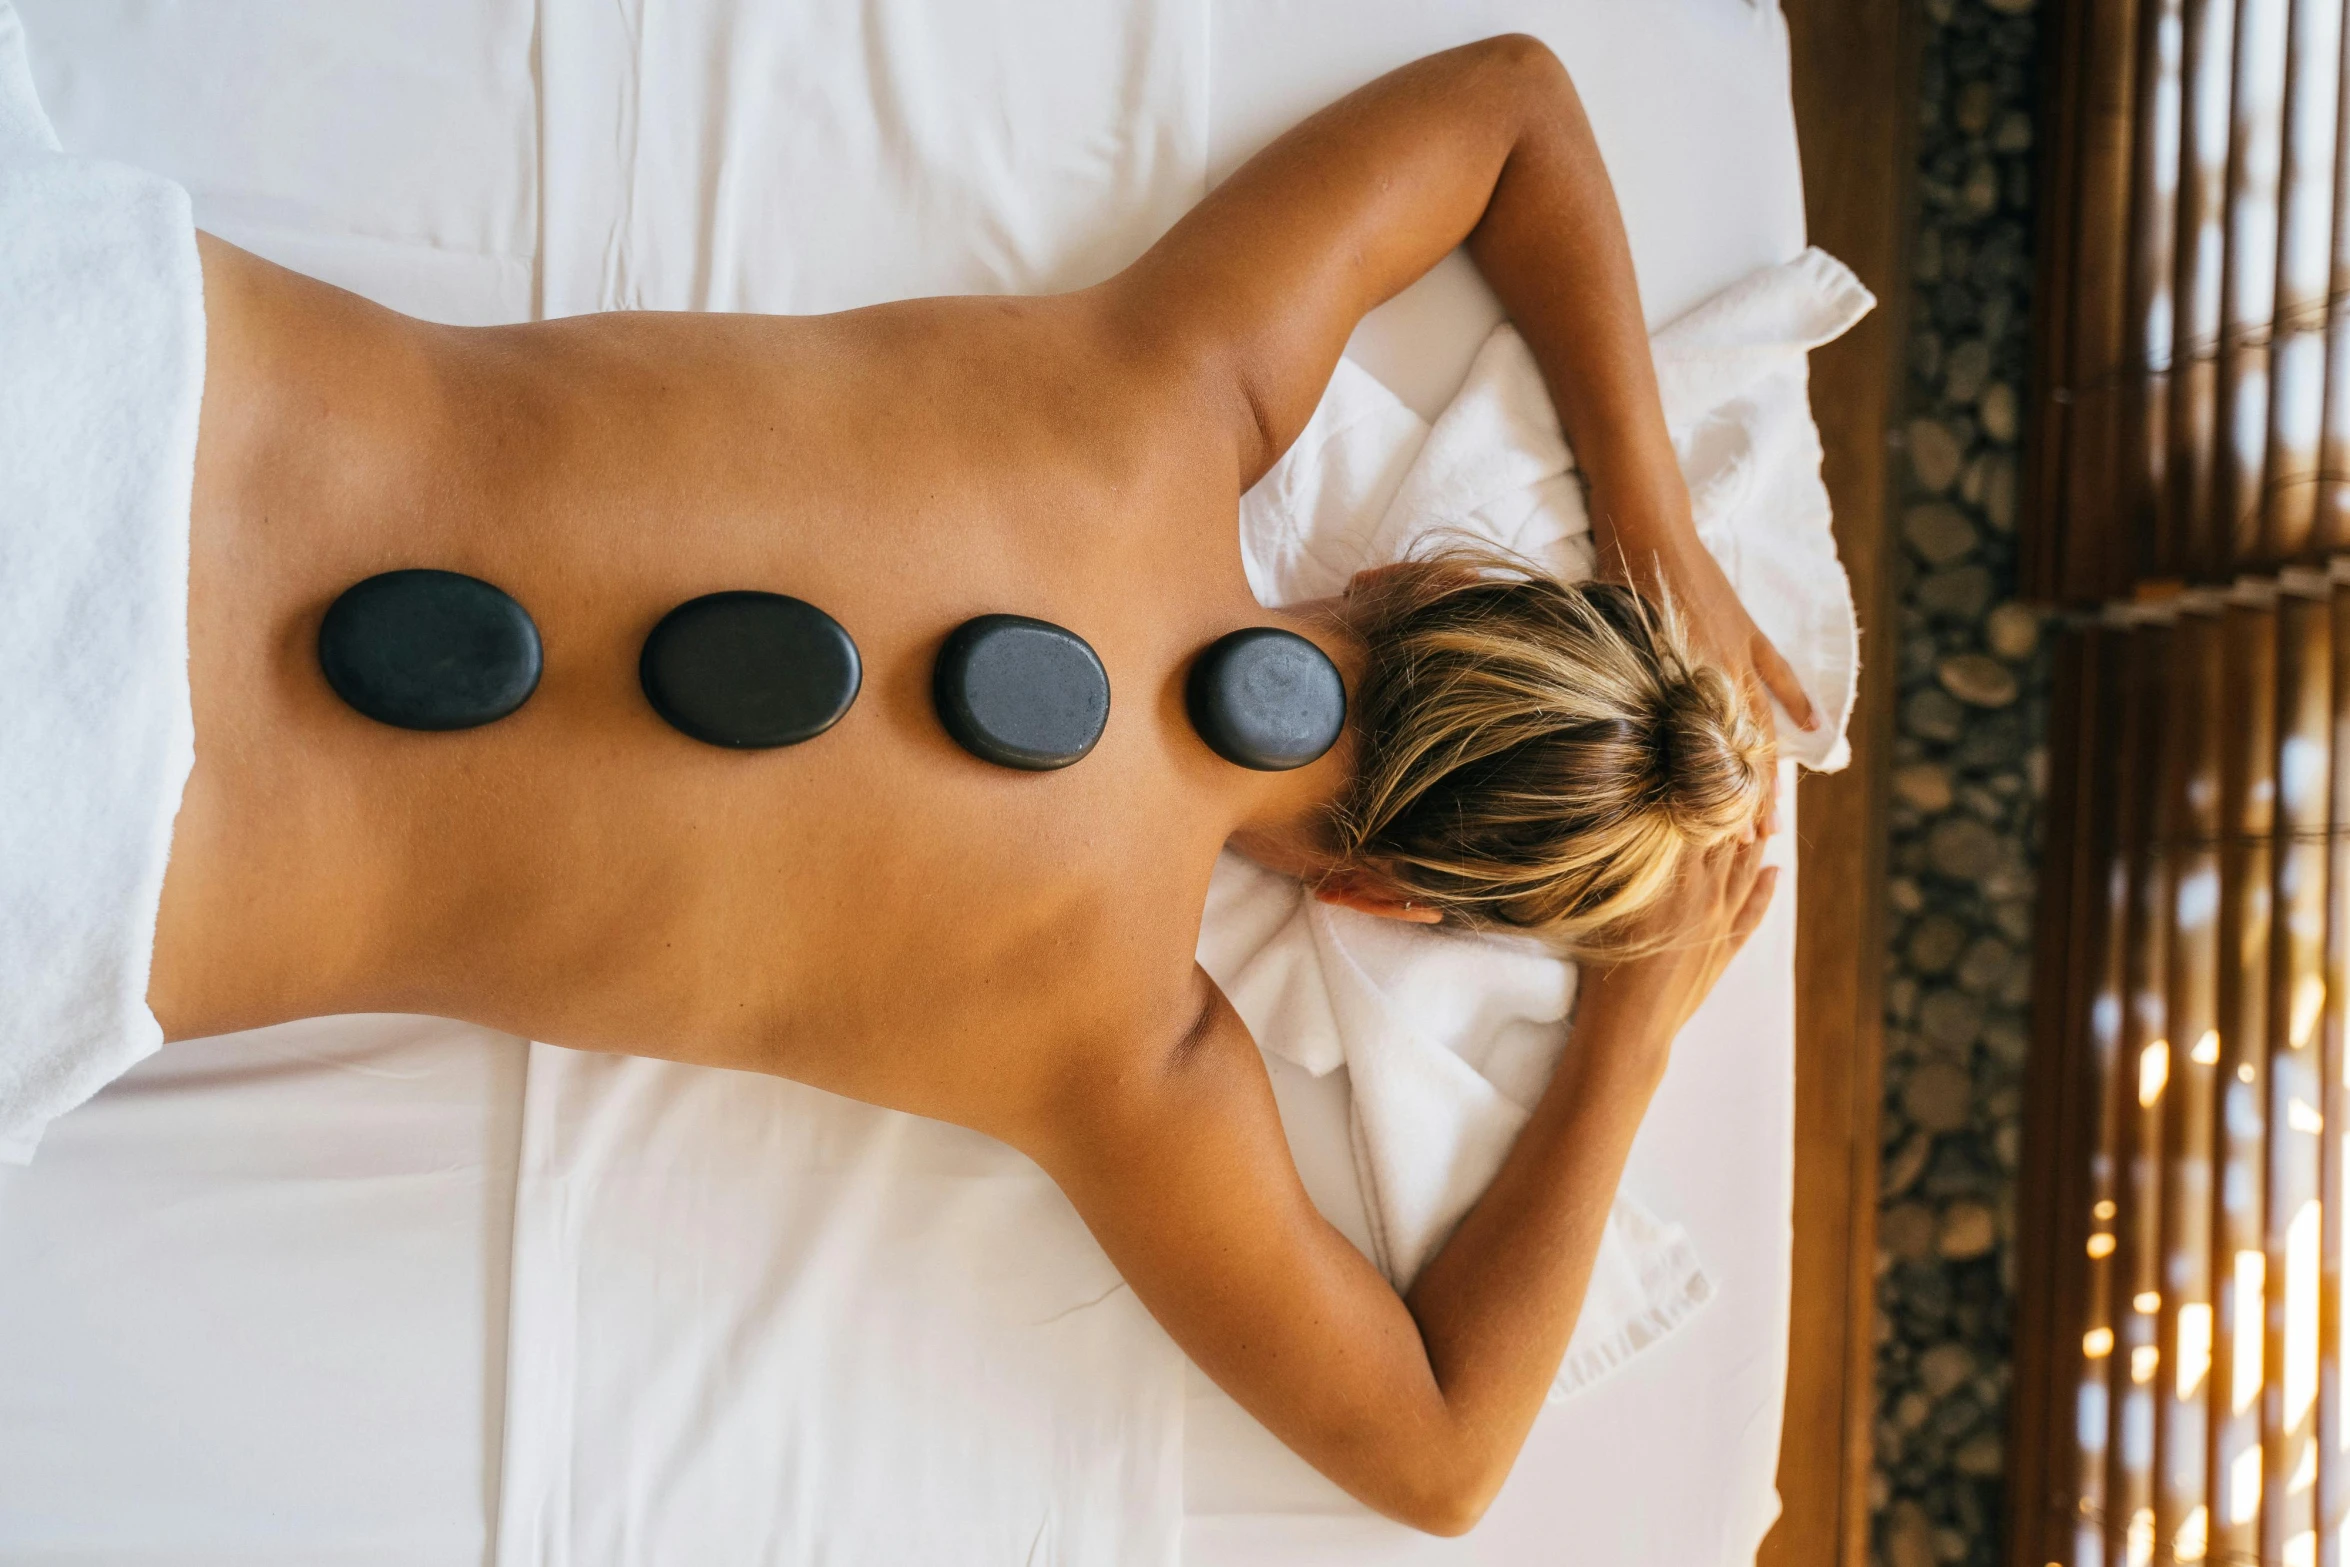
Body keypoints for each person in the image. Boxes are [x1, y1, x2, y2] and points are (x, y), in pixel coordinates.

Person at [132, 36, 1796, 1533]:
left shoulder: (1166, 387)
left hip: (129, 375)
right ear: (1377, 892)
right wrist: (1626, 1036)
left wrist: (1653, 518)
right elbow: (1442, 1455)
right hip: (106, 858)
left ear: (1418, 581)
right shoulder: (1118, 1054)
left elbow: (1512, 110)